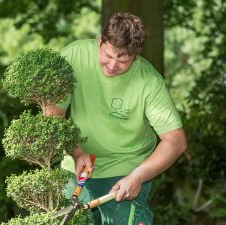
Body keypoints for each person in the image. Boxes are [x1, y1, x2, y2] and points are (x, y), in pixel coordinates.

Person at [44, 12, 187, 225]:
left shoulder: (149, 82)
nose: (112, 66)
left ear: (136, 56)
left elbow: (176, 141)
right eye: (108, 56)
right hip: (74, 170)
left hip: (125, 171)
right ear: (100, 41)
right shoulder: (74, 56)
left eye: (123, 61)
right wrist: (77, 152)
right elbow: (53, 113)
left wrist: (137, 176)